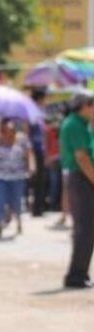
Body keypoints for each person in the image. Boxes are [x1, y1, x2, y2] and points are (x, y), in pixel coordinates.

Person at [59, 93, 94, 288]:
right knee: (85, 229)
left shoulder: (81, 124)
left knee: (87, 229)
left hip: (83, 178)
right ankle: (76, 275)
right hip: (81, 179)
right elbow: (82, 158)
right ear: (85, 106)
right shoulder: (74, 125)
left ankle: (80, 273)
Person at [0, 119, 34, 239]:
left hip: (17, 177)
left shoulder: (22, 140)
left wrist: (31, 167)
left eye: (11, 130)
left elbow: (29, 154)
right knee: (0, 201)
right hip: (0, 176)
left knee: (16, 202)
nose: (9, 133)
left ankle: (18, 221)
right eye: (6, 130)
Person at [29, 88, 48, 217]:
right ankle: (36, 208)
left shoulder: (39, 112)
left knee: (41, 179)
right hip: (34, 149)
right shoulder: (31, 113)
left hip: (40, 149)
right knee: (37, 180)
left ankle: (39, 206)